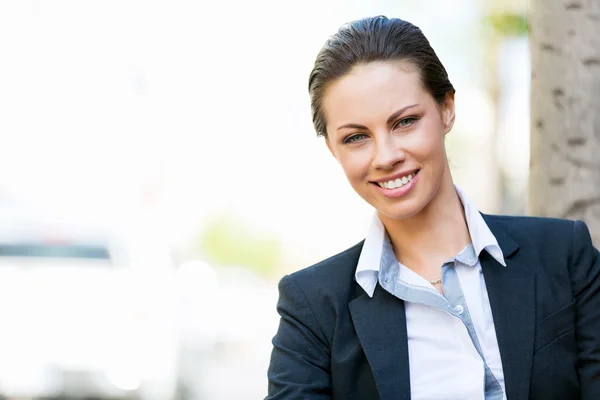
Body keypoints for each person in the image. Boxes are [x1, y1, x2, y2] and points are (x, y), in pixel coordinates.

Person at [265, 15, 600, 400]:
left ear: (446, 109)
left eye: (405, 122)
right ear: (333, 150)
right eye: (356, 137)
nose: (386, 156)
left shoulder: (564, 255)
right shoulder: (312, 306)